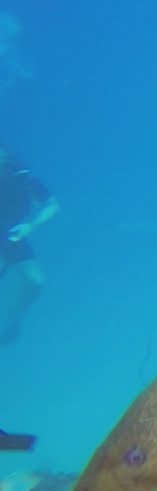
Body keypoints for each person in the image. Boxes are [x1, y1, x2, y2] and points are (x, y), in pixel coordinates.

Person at [1, 143, 57, 345]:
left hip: (12, 235)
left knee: (35, 283)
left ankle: (14, 314)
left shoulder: (21, 178)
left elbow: (52, 205)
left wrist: (30, 226)